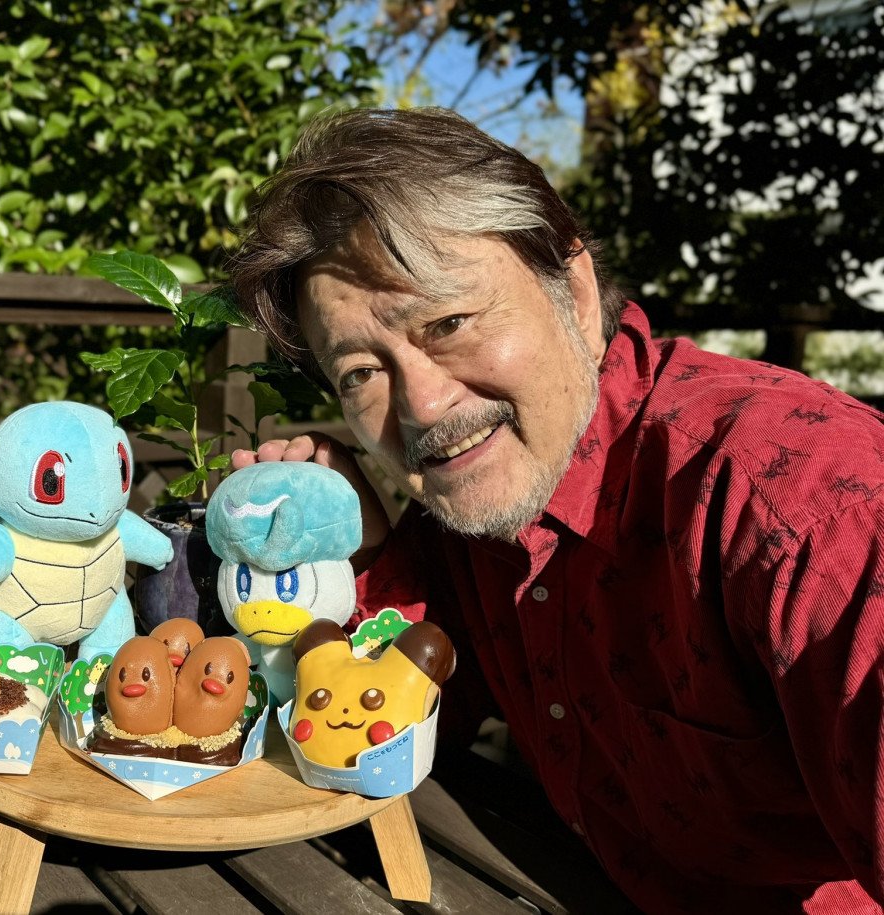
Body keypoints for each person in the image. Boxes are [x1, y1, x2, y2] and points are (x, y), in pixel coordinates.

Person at [226, 106, 884, 914]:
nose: (422, 406)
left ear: (573, 291)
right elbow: (395, 725)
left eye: (449, 322)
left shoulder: (803, 508)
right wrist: (362, 555)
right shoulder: (477, 506)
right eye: (361, 371)